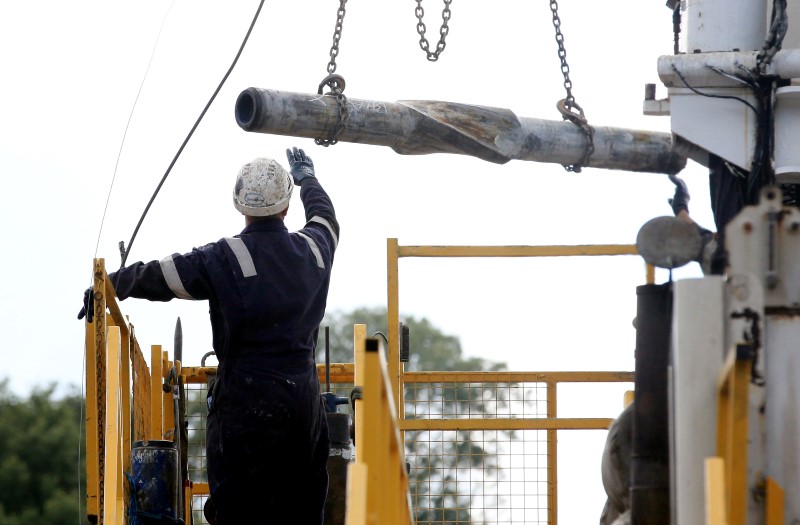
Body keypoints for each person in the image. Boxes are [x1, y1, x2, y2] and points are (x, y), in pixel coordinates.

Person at [79, 147, 339, 524]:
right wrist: (308, 179)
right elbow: (325, 218)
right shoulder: (315, 250)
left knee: (238, 508)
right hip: (303, 406)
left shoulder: (223, 257)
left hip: (244, 407)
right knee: (302, 504)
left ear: (240, 206)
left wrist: (110, 284)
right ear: (286, 207)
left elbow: (162, 276)